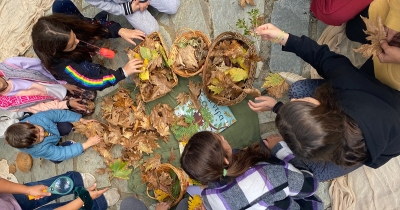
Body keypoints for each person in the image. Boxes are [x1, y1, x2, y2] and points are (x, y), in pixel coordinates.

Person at [249, 23, 400, 181]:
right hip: (381, 108)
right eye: (299, 102)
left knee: (317, 173)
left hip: (383, 121)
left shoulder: (347, 89)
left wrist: (278, 108)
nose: (293, 99)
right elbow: (323, 57)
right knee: (298, 90)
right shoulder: (347, 83)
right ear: (323, 108)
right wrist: (282, 36)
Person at [180, 131, 323, 210]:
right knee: (318, 167)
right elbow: (310, 184)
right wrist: (280, 149)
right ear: (224, 160)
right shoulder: (268, 174)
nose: (223, 137)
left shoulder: (209, 199)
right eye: (220, 139)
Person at [31, 0, 146, 91]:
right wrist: (122, 73)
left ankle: (82, 33)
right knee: (90, 70)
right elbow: (89, 81)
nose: (77, 41)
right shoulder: (65, 68)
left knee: (60, 4)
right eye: (71, 45)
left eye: (74, 36)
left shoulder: (64, 26)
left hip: (68, 39)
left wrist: (120, 30)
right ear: (58, 51)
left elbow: (90, 24)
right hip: (74, 63)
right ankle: (89, 62)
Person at [0, 57, 95, 115]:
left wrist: (64, 82)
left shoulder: (11, 65)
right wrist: (67, 104)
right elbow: (40, 107)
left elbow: (44, 66)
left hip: (58, 81)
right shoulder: (6, 104)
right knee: (88, 109)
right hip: (56, 100)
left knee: (92, 92)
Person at [5, 110, 101, 162]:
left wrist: (80, 119)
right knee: (57, 159)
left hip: (53, 130)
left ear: (28, 122)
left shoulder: (38, 118)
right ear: (28, 146)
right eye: (38, 139)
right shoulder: (39, 149)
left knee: (66, 126)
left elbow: (58, 114)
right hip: (50, 147)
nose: (42, 134)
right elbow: (62, 154)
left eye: (38, 130)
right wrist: (86, 144)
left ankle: (60, 136)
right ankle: (65, 144)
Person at [345, 0, 400, 90]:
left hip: (393, 76)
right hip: (390, 14)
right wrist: (396, 18)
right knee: (352, 30)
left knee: (359, 85)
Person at [0, 171, 120, 209]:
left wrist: (28, 189)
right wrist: (82, 200)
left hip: (9, 198)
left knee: (46, 188)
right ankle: (95, 204)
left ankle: (74, 181)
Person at [84, 0, 180, 35]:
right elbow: (107, 5)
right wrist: (127, 9)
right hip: (126, 4)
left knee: (173, 6)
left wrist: (144, 1)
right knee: (152, 32)